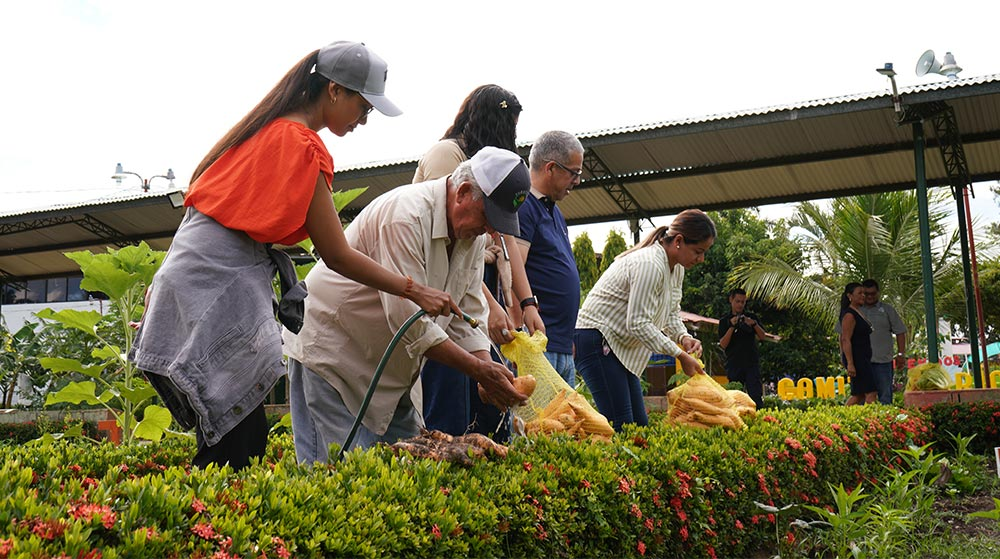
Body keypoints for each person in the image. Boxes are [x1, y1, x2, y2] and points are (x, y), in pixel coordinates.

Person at [128, 41, 457, 471]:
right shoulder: (300, 144)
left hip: (193, 275)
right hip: (216, 282)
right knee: (235, 439)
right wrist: (415, 290)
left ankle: (207, 526)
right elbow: (337, 254)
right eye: (364, 105)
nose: (365, 119)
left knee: (232, 432)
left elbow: (201, 211)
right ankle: (206, 531)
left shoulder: (261, 131)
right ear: (335, 90)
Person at [283, 147, 532, 463]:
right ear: (464, 192)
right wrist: (479, 370)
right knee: (334, 480)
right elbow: (409, 320)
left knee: (411, 475)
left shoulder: (474, 237)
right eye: (488, 217)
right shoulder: (407, 215)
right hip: (334, 356)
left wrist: (485, 365)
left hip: (390, 371)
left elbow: (467, 312)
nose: (491, 231)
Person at [413, 85, 544, 438]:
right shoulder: (450, 157)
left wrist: (525, 301)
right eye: (506, 126)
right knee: (452, 394)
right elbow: (455, 235)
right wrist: (487, 307)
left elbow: (505, 238)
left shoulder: (494, 174)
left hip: (471, 278)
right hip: (441, 284)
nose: (509, 136)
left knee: (487, 397)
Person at [575, 210, 715, 431]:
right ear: (678, 241)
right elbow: (638, 323)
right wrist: (679, 354)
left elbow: (670, 313)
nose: (701, 259)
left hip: (618, 345)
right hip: (597, 339)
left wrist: (684, 337)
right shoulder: (650, 263)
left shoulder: (676, 268)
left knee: (639, 426)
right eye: (698, 251)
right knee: (621, 426)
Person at [514, 130, 585, 386]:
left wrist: (568, 340)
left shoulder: (554, 212)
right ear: (551, 168)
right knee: (542, 425)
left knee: (563, 424)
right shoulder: (525, 208)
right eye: (574, 173)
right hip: (539, 344)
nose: (577, 181)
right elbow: (513, 270)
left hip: (562, 345)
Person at [718, 287, 768, 407]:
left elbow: (763, 336)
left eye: (743, 302)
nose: (740, 305)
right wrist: (732, 326)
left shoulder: (751, 317)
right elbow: (723, 344)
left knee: (755, 397)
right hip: (734, 364)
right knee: (736, 398)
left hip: (751, 364)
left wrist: (753, 324)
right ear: (731, 300)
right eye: (738, 301)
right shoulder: (725, 320)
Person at [861, 278, 907, 405]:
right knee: (861, 399)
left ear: (878, 293)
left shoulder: (887, 310)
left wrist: (901, 355)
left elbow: (900, 332)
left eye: (873, 294)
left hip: (883, 363)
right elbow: (844, 336)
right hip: (861, 363)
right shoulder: (855, 310)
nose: (870, 297)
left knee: (885, 398)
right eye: (867, 294)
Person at [840, 282, 877, 405]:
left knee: (859, 394)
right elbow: (845, 339)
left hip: (863, 357)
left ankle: (841, 417)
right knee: (871, 392)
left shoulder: (858, 311)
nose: (863, 296)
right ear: (850, 296)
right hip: (857, 358)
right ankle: (872, 420)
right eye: (859, 293)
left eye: (864, 293)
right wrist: (850, 363)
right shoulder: (849, 315)